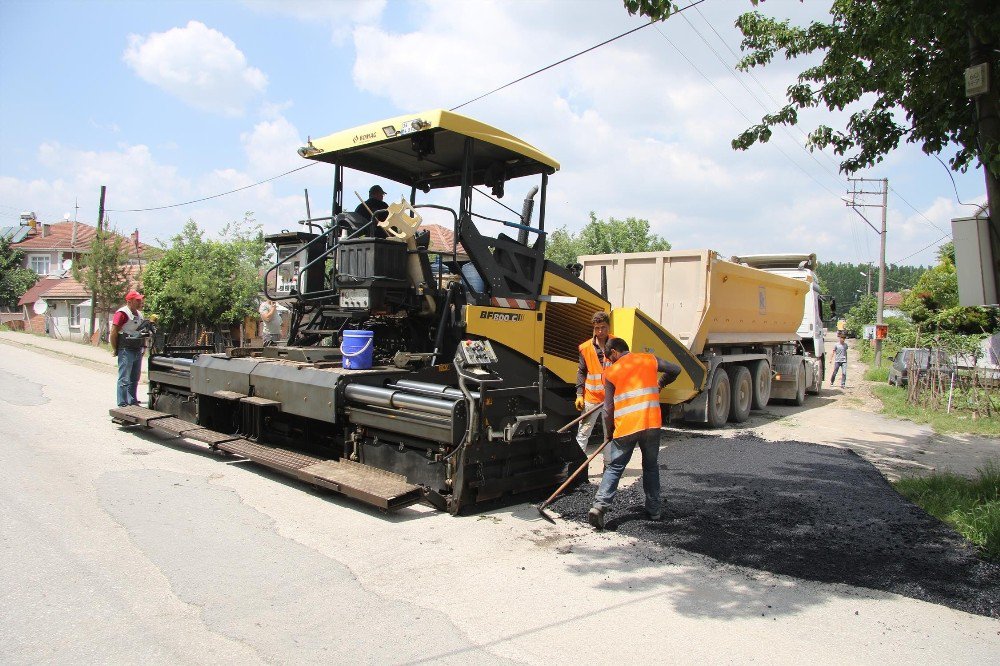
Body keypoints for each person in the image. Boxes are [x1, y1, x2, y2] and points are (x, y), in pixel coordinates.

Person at [588, 338, 681, 530]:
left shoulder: (611, 372)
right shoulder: (648, 359)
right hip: (651, 423)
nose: (610, 361)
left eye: (609, 357)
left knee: (615, 467)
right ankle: (654, 510)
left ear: (614, 352)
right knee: (650, 467)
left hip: (626, 427)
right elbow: (675, 369)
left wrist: (609, 432)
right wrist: (661, 383)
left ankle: (599, 507)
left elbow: (607, 409)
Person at [575, 311, 614, 454]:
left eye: (603, 327)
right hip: (591, 398)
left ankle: (608, 467)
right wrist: (579, 394)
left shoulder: (617, 344)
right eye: (597, 328)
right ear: (593, 328)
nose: (600, 331)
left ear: (608, 327)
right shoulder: (585, 348)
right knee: (583, 433)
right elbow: (581, 371)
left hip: (610, 399)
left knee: (609, 434)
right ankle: (579, 465)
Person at [110, 290, 148, 407]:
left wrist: (144, 346)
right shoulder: (122, 313)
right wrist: (115, 348)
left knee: (134, 377)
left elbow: (142, 331)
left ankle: (132, 401)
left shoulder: (139, 314)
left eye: (140, 300)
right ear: (129, 301)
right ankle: (122, 403)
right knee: (124, 378)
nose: (140, 302)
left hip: (137, 348)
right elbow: (113, 332)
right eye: (137, 300)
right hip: (126, 349)